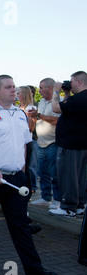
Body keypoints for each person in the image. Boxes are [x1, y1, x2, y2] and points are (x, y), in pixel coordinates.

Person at [0, 74, 59, 275]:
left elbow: (24, 146)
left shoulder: (19, 114)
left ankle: (34, 271)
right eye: (8, 87)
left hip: (16, 179)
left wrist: (24, 174)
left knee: (21, 225)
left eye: (14, 87)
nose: (14, 90)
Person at [51, 71, 87, 218]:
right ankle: (79, 205)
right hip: (81, 144)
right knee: (80, 177)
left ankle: (68, 207)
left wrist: (56, 91)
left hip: (71, 145)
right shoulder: (80, 99)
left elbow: (56, 108)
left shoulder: (80, 98)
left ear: (79, 82)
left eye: (71, 82)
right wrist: (67, 94)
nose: (69, 84)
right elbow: (68, 108)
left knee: (68, 176)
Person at [27, 79, 62, 210]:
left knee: (55, 173)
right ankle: (45, 197)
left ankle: (57, 199)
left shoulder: (59, 101)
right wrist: (33, 117)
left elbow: (57, 120)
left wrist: (39, 115)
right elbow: (39, 118)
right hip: (41, 142)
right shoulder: (41, 102)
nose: (39, 90)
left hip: (53, 142)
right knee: (43, 172)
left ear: (49, 88)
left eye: (41, 88)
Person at [16, 86, 37, 201]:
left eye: (18, 93)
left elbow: (31, 128)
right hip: (15, 141)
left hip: (26, 142)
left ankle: (27, 192)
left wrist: (27, 116)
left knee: (26, 168)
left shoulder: (31, 108)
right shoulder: (16, 108)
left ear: (23, 94)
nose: (16, 95)